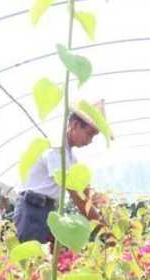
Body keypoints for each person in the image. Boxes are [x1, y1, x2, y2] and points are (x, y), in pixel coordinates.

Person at [14, 101, 110, 244]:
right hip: (32, 211)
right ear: (75, 125)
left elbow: (85, 190)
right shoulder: (55, 149)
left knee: (47, 260)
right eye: (89, 134)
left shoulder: (70, 157)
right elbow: (79, 198)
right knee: (33, 260)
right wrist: (107, 234)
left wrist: (100, 200)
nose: (90, 141)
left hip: (47, 210)